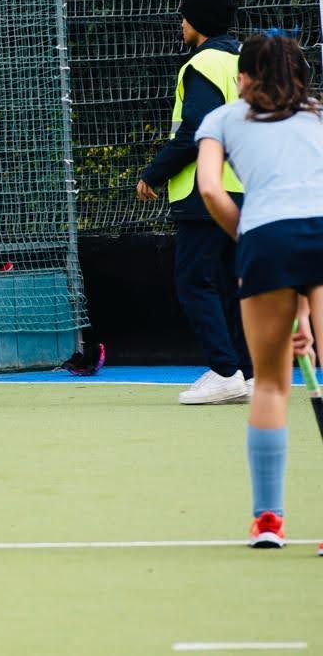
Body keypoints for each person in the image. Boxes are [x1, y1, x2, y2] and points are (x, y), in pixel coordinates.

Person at [193, 30, 323, 549]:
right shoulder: (318, 117)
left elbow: (209, 188)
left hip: (267, 241)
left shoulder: (222, 119)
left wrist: (248, 237)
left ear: (243, 77)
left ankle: (268, 521)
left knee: (269, 384)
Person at [136, 0, 252, 405]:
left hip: (207, 190)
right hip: (248, 189)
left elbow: (197, 130)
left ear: (199, 22)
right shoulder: (248, 60)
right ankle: (247, 372)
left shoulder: (203, 63)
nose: (181, 23)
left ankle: (224, 371)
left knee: (195, 282)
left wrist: (155, 172)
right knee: (235, 284)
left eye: (184, 16)